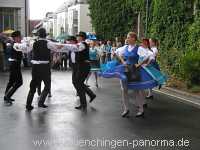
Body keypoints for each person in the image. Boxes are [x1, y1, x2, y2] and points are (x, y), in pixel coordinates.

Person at [4, 31, 23, 104]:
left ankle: (6, 96)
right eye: (19, 37)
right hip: (15, 65)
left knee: (11, 81)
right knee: (19, 82)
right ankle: (8, 95)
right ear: (15, 38)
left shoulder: (15, 44)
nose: (21, 38)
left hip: (14, 65)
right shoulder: (15, 45)